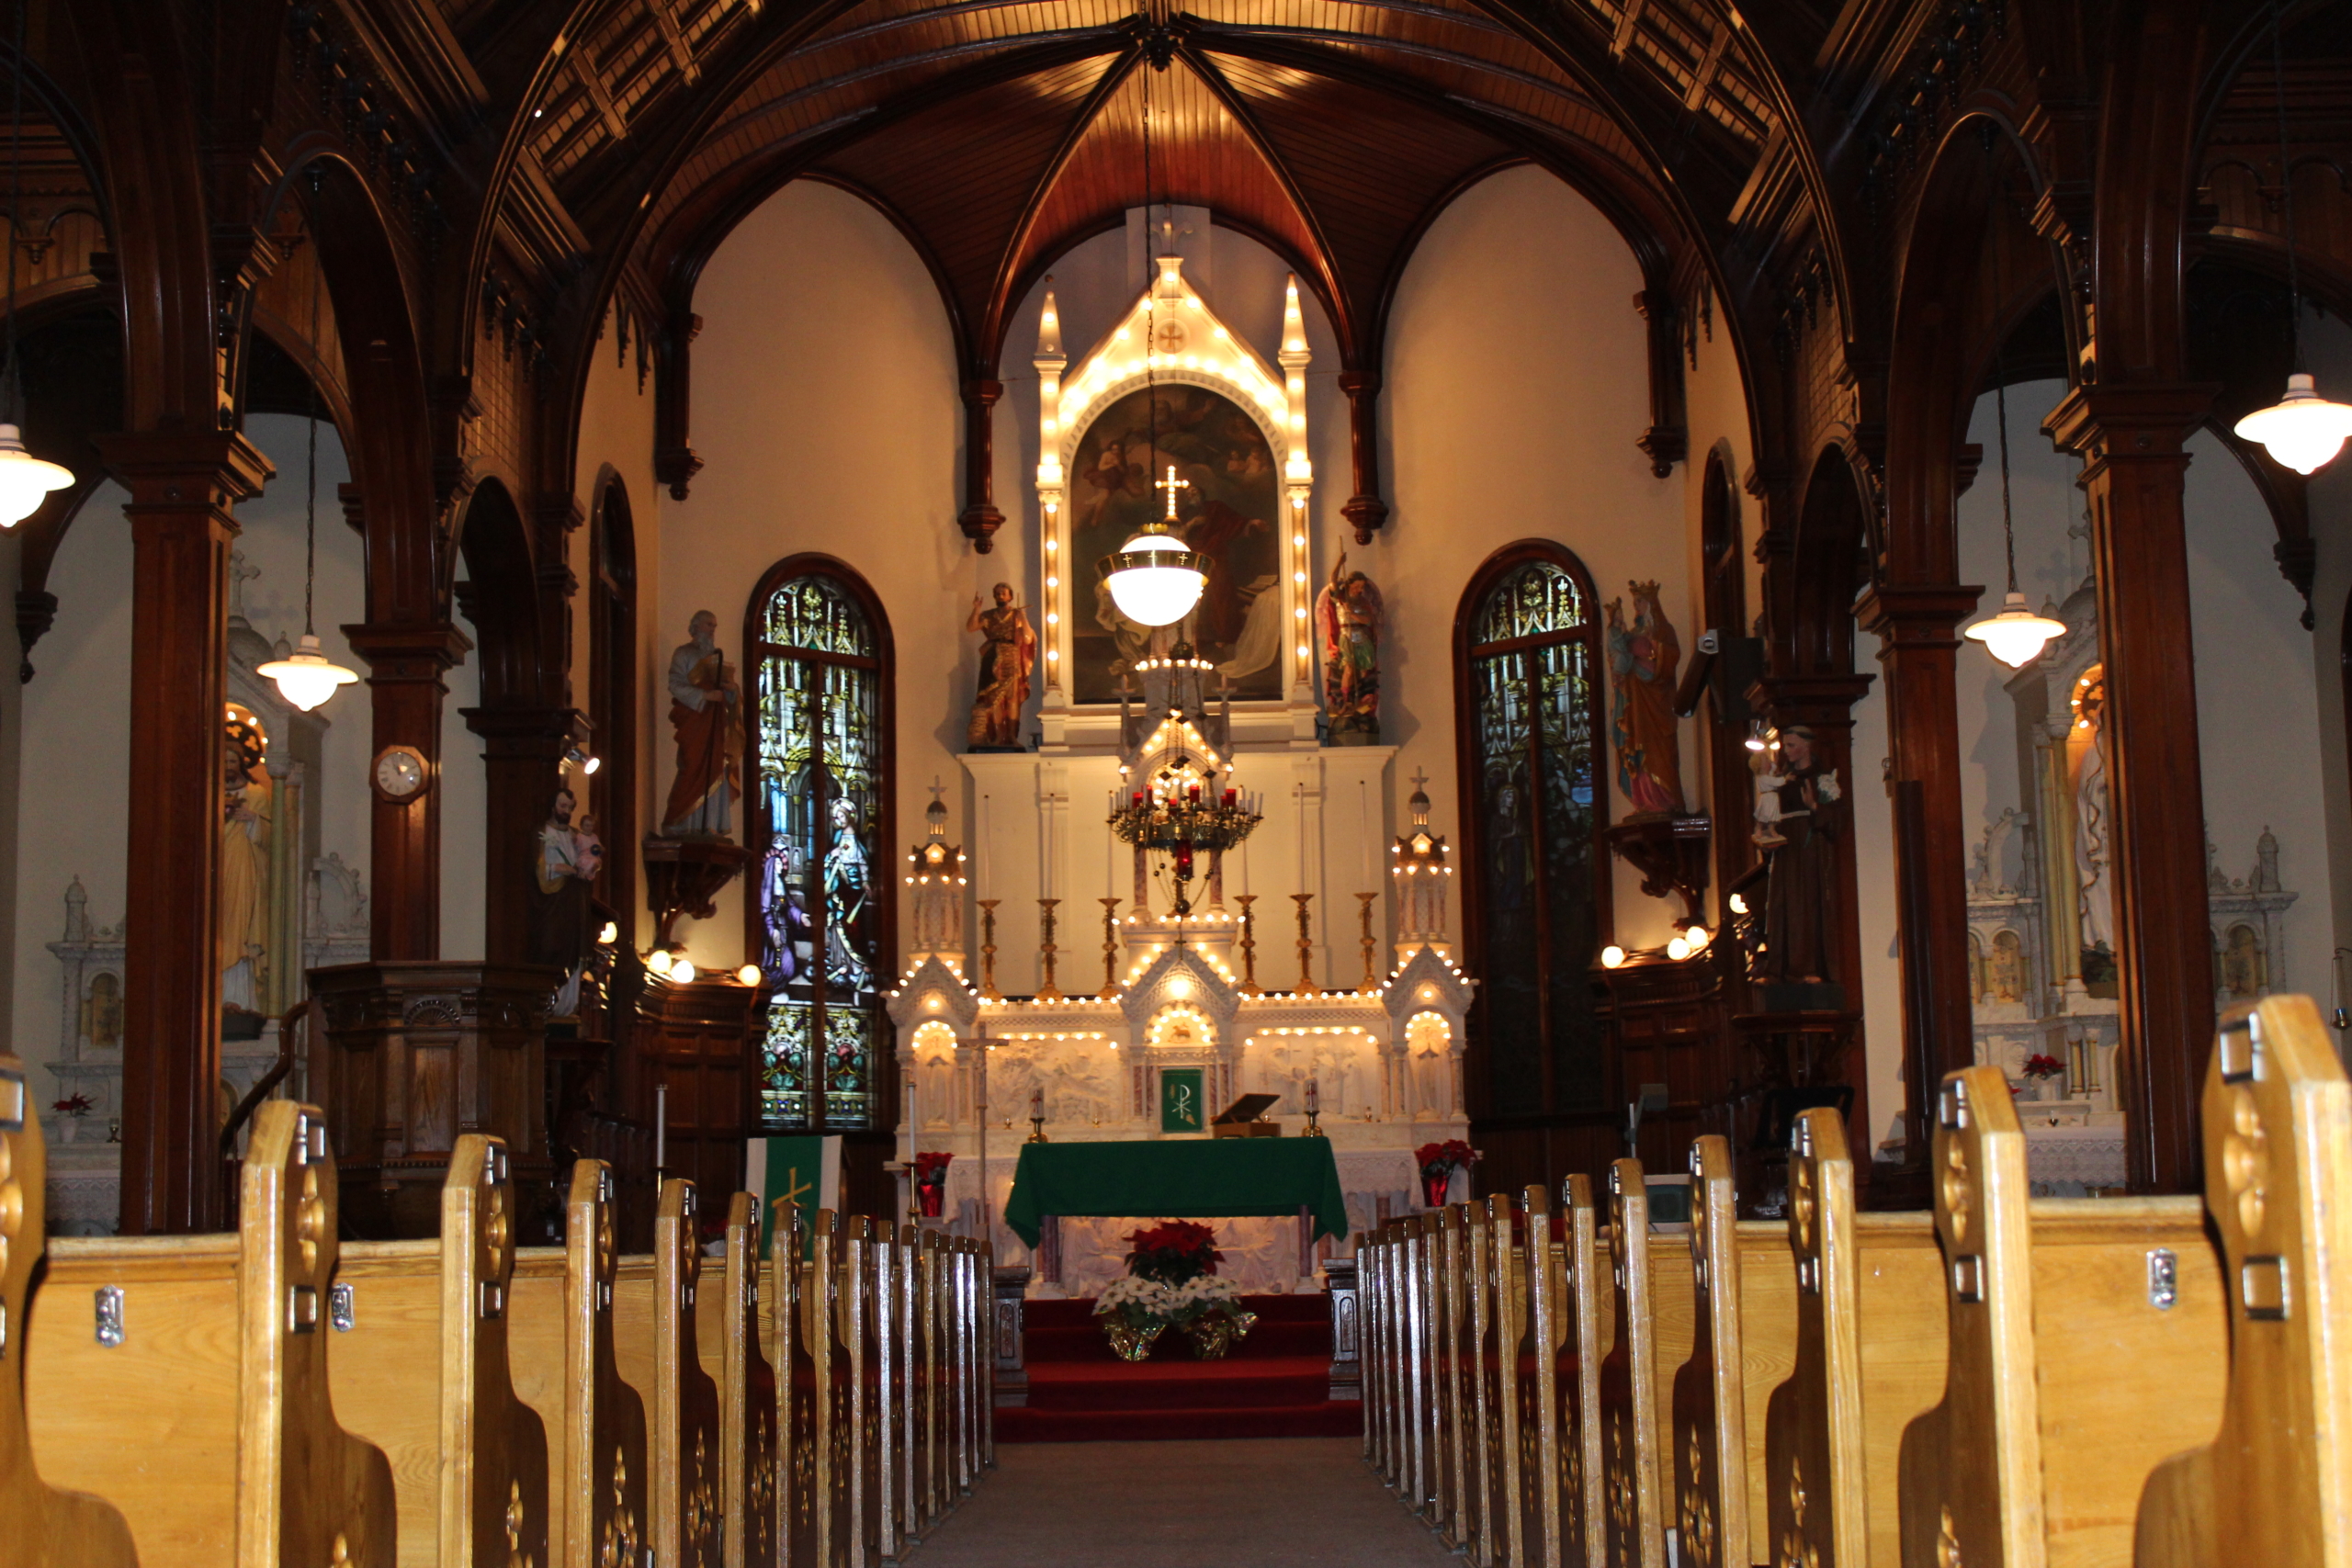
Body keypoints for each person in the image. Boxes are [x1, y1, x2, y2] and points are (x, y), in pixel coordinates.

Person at [1758, 727, 1844, 986]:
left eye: (1792, 745)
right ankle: (1780, 968)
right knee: (1781, 905)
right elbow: (1770, 811)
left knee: (1805, 904)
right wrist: (1766, 835)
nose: (1787, 750)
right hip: (1785, 849)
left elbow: (1838, 818)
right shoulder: (1784, 778)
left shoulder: (1821, 778)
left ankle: (1807, 966)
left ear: (1807, 747)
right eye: (1785, 745)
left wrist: (1813, 806)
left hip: (1808, 850)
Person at [661, 610, 741, 836]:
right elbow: (675, 684)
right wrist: (705, 696)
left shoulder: (718, 657)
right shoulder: (683, 654)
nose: (712, 630)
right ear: (695, 627)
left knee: (717, 768)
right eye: (708, 625)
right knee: (692, 765)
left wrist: (731, 690)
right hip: (695, 722)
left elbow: (732, 700)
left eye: (715, 626)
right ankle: (683, 823)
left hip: (715, 724)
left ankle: (710, 825)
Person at [965, 582, 1037, 750]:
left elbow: (1027, 638)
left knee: (1012, 698)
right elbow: (971, 627)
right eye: (997, 593)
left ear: (1010, 596)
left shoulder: (1015, 614)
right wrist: (976, 609)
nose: (1000, 596)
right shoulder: (988, 615)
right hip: (992, 657)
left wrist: (1023, 616)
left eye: (1003, 593)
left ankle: (1012, 737)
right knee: (994, 697)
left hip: (1011, 656)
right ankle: (998, 737)